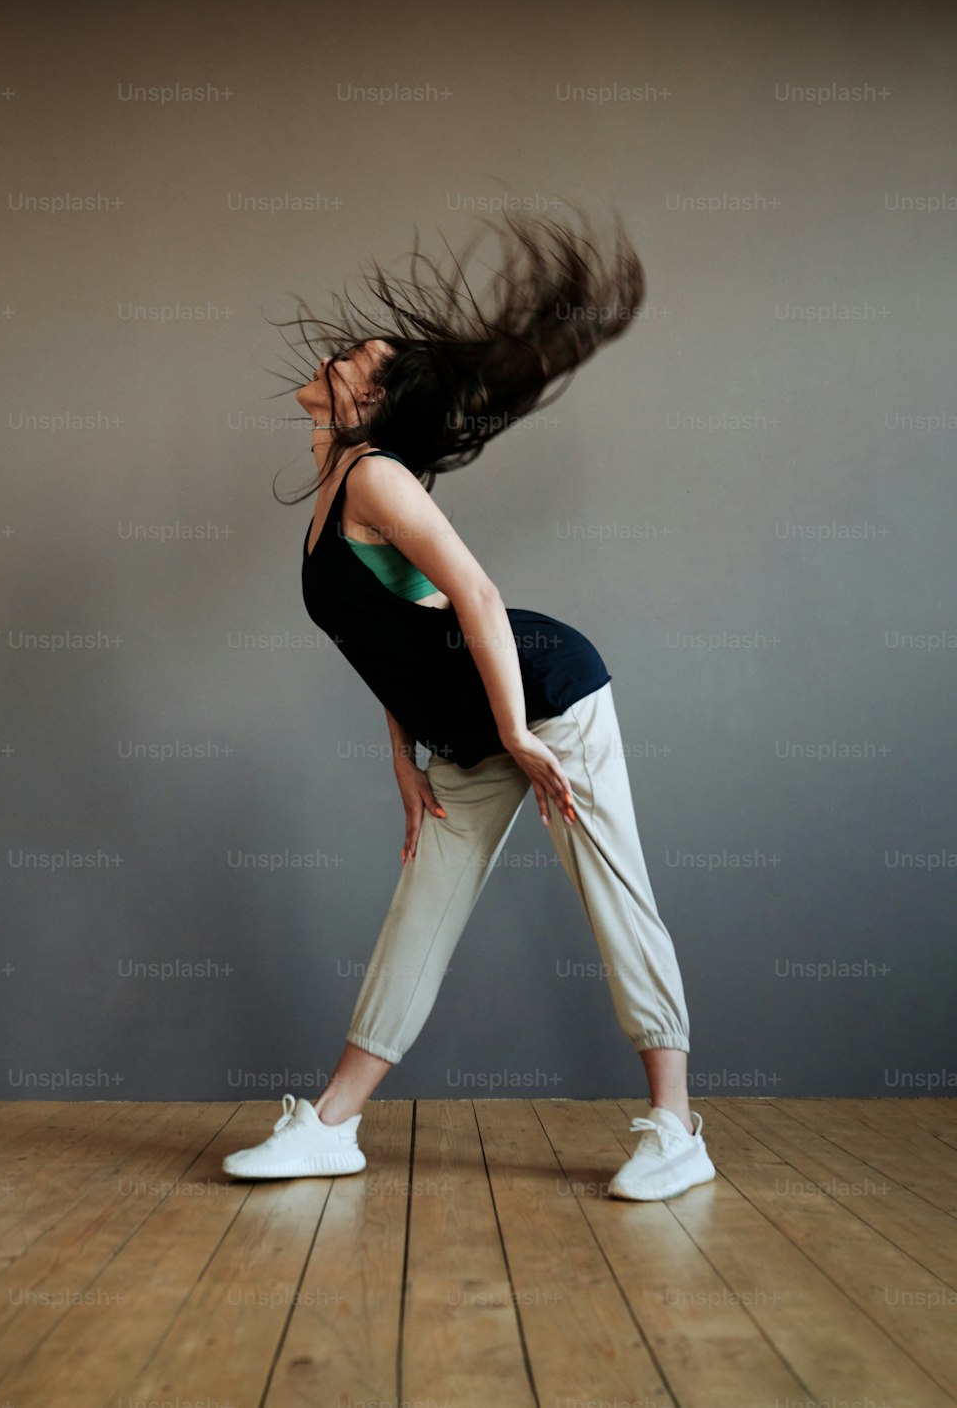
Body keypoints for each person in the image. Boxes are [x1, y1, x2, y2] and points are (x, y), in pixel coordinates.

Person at [222, 207, 716, 1201]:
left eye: (356, 357)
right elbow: (405, 629)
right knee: (422, 913)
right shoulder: (336, 491)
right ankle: (330, 1127)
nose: (337, 356)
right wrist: (401, 750)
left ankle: (675, 1129)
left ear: (367, 401)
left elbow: (480, 596)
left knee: (609, 885)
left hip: (544, 696)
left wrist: (514, 733)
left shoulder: (379, 478)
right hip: (467, 725)